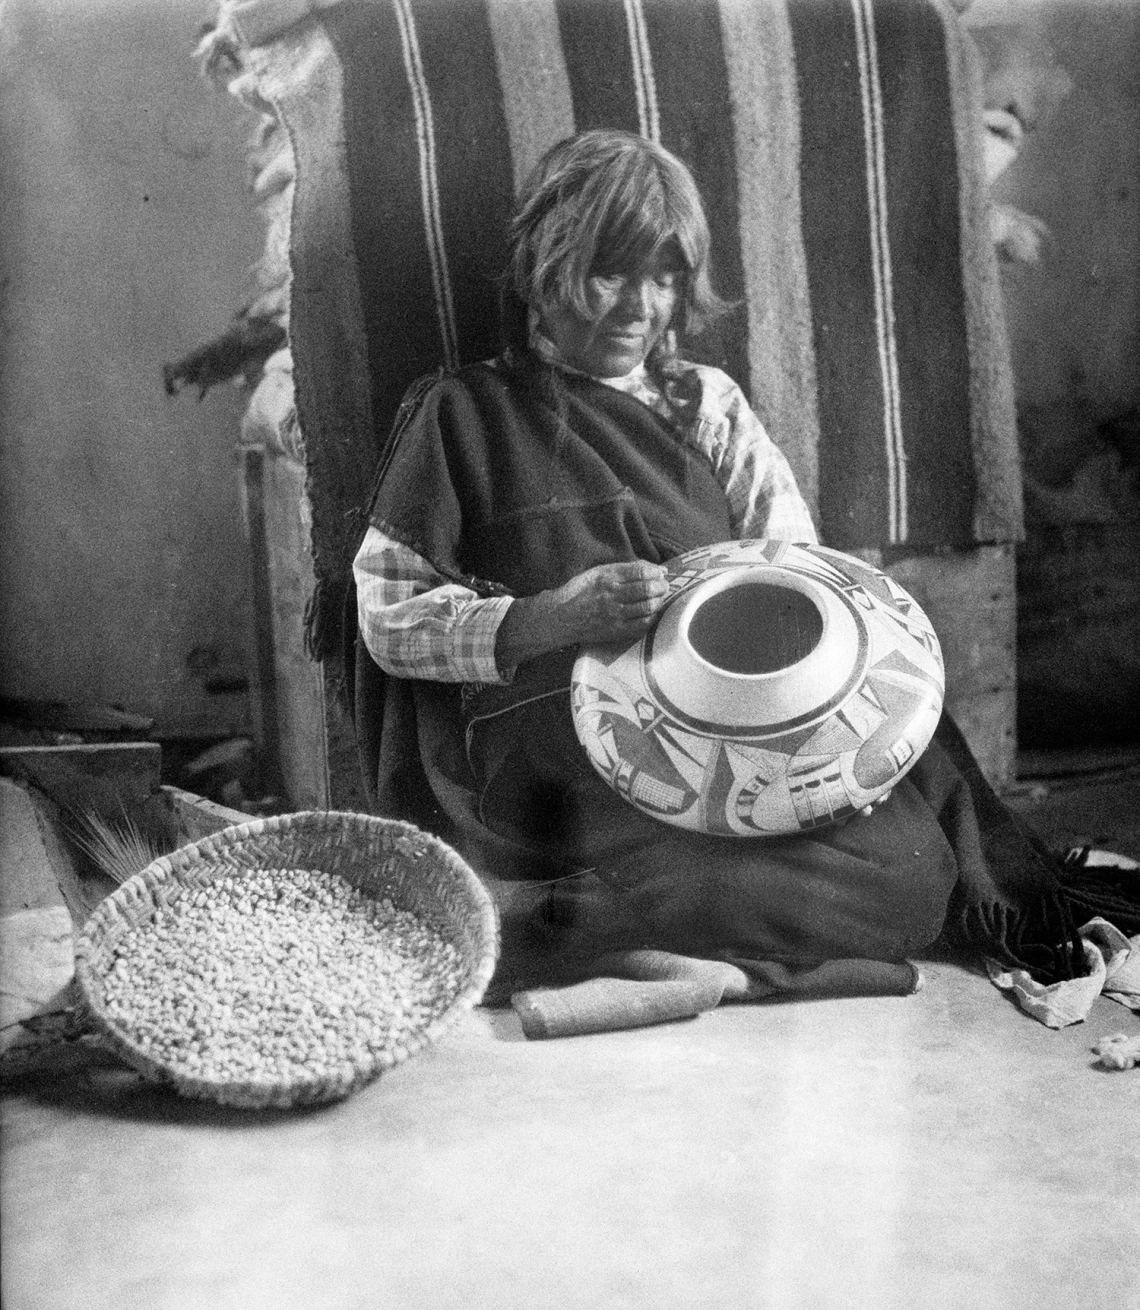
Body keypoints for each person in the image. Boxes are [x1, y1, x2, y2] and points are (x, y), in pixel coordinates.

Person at [349, 129, 1137, 996]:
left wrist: (837, 749)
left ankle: (592, 925)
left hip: (735, 748)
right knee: (806, 884)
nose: (640, 308)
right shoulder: (460, 414)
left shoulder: (706, 404)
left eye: (665, 275)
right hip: (565, 764)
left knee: (909, 880)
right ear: (545, 264)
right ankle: (576, 913)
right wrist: (554, 614)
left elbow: (801, 571)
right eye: (611, 271)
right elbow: (389, 619)